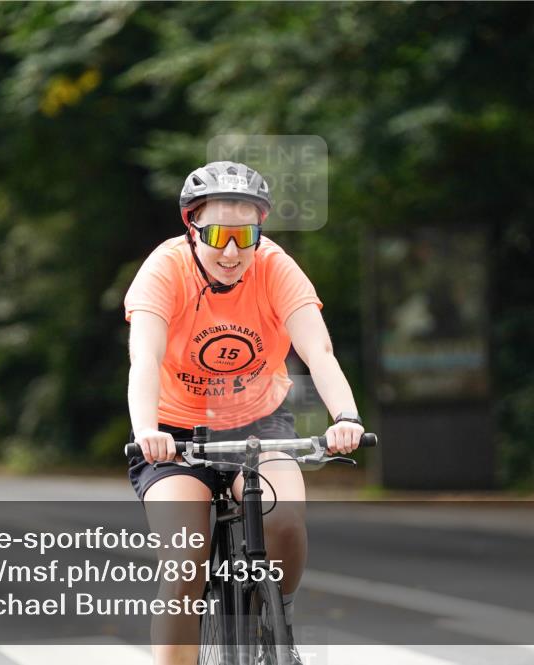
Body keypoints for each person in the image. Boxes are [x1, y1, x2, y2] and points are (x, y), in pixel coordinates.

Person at [125, 160, 365, 665]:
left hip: (258, 423)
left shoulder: (275, 267)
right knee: (186, 560)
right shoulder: (165, 269)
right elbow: (143, 357)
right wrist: (147, 429)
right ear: (192, 226)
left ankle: (276, 617)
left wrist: (346, 417)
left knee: (284, 518)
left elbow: (319, 352)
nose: (233, 250)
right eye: (217, 234)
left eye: (246, 234)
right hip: (174, 432)